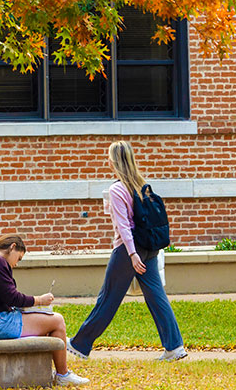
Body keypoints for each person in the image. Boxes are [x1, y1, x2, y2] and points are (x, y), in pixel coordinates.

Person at [66, 140, 188, 361]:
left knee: (108, 298)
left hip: (128, 250)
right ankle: (175, 347)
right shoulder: (141, 184)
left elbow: (123, 226)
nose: (107, 160)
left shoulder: (116, 189)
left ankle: (79, 345)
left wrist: (131, 255)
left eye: (109, 157)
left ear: (114, 161)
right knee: (156, 296)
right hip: (149, 247)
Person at [0, 235, 89, 386]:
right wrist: (40, 300)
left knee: (49, 323)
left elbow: (3, 296)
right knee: (57, 321)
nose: (16, 264)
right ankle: (63, 375)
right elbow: (12, 297)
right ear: (12, 247)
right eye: (19, 258)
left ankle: (55, 372)